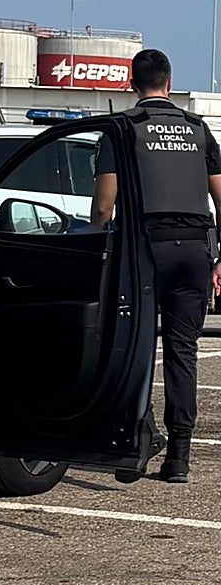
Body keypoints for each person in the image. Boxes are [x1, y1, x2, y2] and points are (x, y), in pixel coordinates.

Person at [91, 49, 221, 483]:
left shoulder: (123, 128)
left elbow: (104, 206)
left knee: (136, 347)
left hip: (144, 250)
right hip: (193, 254)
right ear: (169, 81)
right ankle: (179, 456)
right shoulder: (198, 129)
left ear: (133, 83)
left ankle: (137, 442)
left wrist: (96, 249)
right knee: (182, 352)